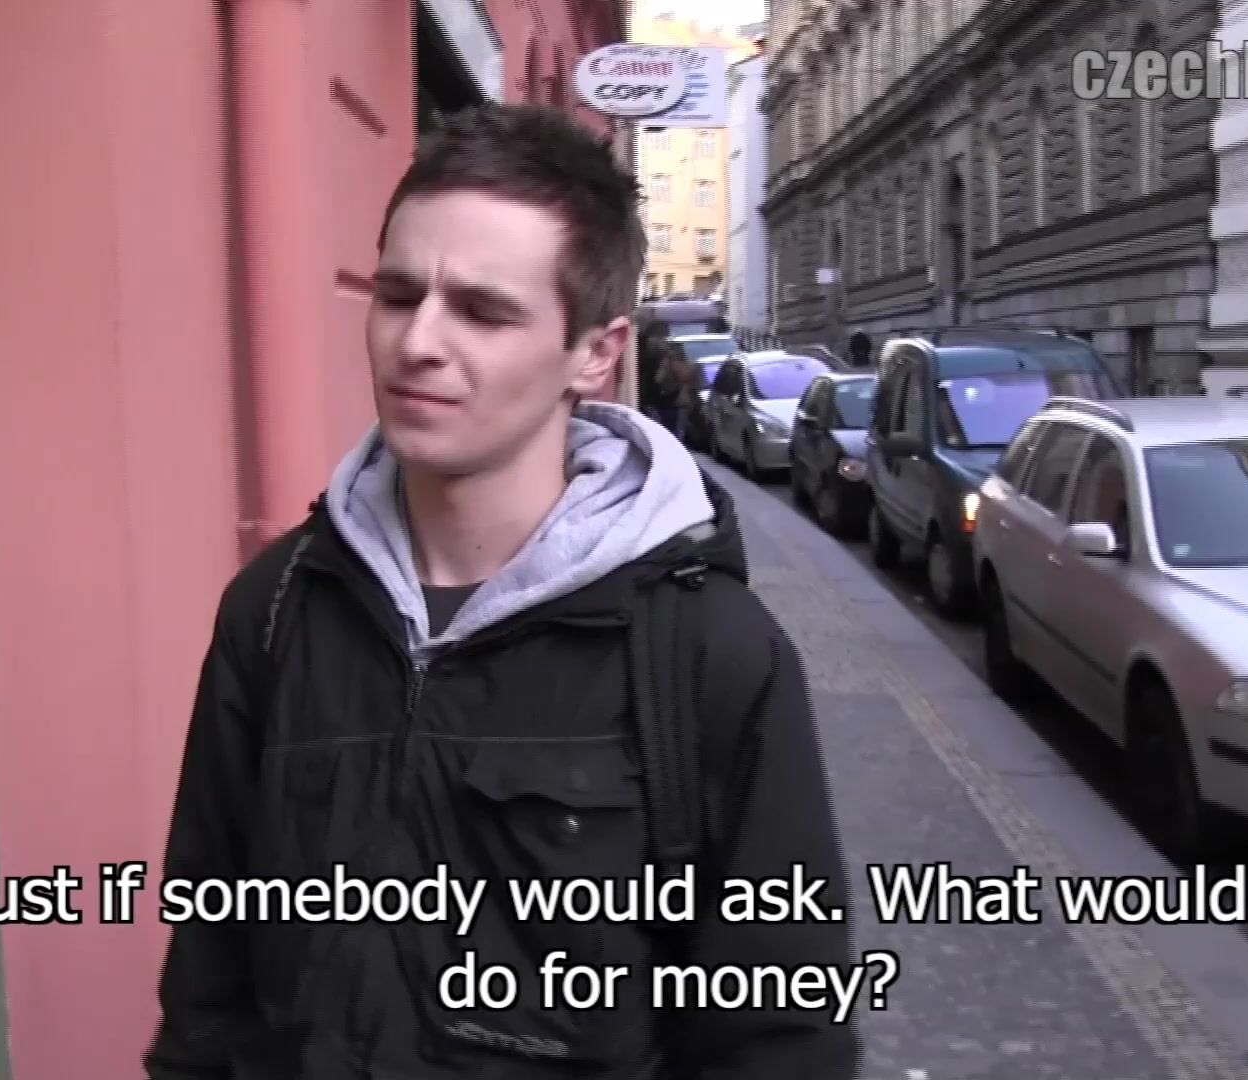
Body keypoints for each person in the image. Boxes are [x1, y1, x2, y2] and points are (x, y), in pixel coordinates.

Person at [145, 103, 858, 1080]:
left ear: (595, 353)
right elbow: (208, 974)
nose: (418, 342)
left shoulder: (707, 651)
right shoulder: (276, 610)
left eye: (482, 312)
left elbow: (780, 1034)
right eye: (399, 295)